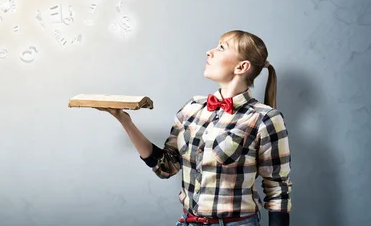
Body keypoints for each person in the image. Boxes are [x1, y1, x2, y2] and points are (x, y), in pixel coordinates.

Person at [98, 30, 292, 226]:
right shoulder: (192, 109)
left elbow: (278, 190)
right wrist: (124, 120)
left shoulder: (265, 118)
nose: (209, 52)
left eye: (221, 48)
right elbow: (166, 167)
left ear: (242, 66)